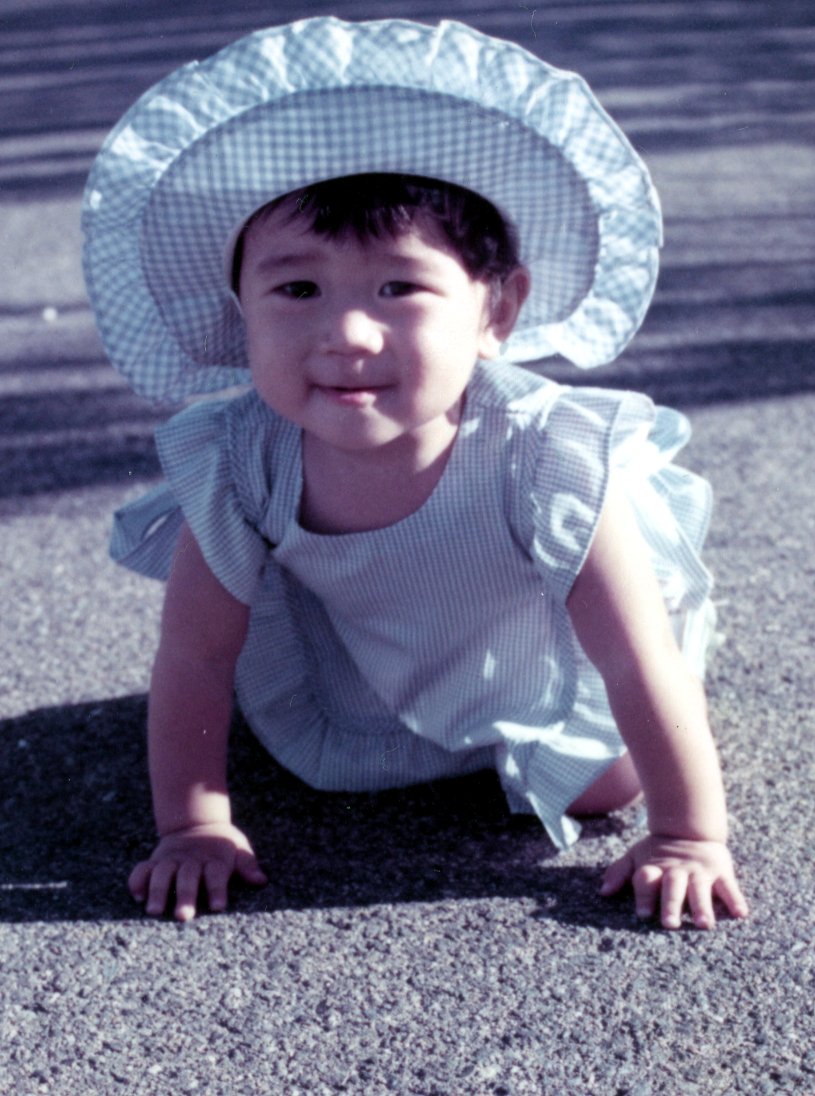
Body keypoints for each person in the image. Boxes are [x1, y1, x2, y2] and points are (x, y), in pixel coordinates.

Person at [83, 17, 749, 928]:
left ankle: (625, 750)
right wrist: (193, 824)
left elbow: (632, 655)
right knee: (317, 766)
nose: (347, 334)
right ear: (241, 312)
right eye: (296, 290)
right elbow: (196, 652)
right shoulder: (240, 459)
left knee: (608, 783)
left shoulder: (541, 452)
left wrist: (686, 835)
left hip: (536, 662)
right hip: (362, 677)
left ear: (497, 312)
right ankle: (423, 728)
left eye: (399, 288)